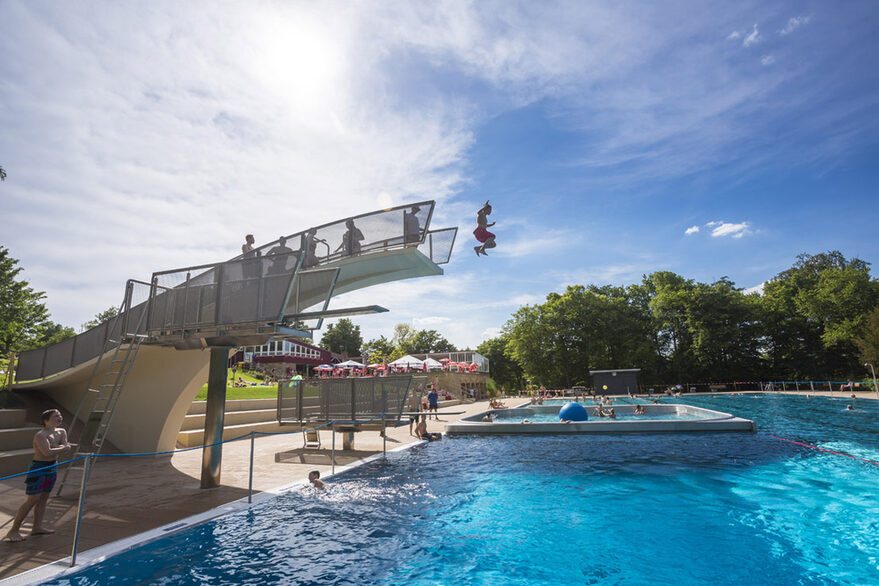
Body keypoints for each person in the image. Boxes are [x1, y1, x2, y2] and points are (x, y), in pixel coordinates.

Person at [6, 409, 74, 542]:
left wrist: (60, 447)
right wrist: (62, 448)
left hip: (52, 467)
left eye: (60, 415)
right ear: (46, 420)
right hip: (38, 468)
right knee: (32, 500)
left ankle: (36, 527)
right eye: (56, 416)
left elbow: (63, 447)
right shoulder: (40, 435)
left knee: (43, 498)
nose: (59, 417)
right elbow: (47, 452)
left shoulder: (61, 432)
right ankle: (13, 530)